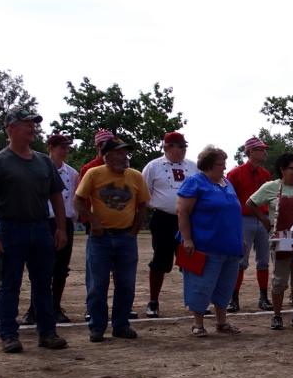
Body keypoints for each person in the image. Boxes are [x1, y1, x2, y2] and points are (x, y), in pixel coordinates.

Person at [0, 107, 69, 353]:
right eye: (26, 123)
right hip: (11, 228)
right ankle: (8, 334)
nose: (32, 128)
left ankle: (47, 333)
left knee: (43, 282)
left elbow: (56, 197)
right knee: (10, 283)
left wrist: (61, 228)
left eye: (33, 124)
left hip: (41, 227)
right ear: (10, 128)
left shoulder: (43, 162)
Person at [75, 138, 149, 342]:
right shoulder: (94, 174)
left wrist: (134, 230)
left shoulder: (135, 176)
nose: (124, 157)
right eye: (119, 153)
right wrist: (92, 221)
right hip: (100, 238)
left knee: (126, 284)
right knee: (97, 284)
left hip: (126, 237)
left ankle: (121, 325)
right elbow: (78, 200)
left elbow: (143, 204)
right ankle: (97, 327)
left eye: (125, 153)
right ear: (106, 156)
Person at [247, 152, 293, 330]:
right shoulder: (271, 187)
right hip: (281, 240)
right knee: (280, 280)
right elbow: (250, 203)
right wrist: (266, 222)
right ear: (282, 169)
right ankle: (277, 315)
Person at [176, 146, 242, 337]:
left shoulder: (227, 183)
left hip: (230, 245)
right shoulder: (194, 182)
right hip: (204, 245)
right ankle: (198, 323)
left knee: (225, 286)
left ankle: (222, 322)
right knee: (201, 285)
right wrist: (187, 239)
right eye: (220, 164)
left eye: (224, 163)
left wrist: (239, 239)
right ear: (208, 165)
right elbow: (182, 212)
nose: (224, 167)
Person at [23, 134, 79, 325]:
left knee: (61, 268)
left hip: (64, 221)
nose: (65, 151)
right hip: (42, 220)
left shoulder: (71, 173)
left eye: (67, 148)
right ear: (51, 148)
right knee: (40, 267)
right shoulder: (38, 169)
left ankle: (55, 306)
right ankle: (35, 308)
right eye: (61, 147)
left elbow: (72, 199)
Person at [141, 131, 198, 318]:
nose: (183, 150)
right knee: (160, 260)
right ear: (167, 147)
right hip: (164, 218)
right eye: (179, 146)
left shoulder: (192, 167)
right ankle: (153, 301)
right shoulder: (153, 166)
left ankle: (194, 301)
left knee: (190, 260)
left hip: (188, 218)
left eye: (184, 146)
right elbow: (144, 192)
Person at [226, 137, 273, 312]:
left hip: (263, 219)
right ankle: (233, 298)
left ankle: (263, 298)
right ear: (251, 152)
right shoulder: (235, 173)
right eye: (261, 149)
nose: (264, 152)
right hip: (243, 220)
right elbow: (229, 199)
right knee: (240, 261)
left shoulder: (265, 174)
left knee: (264, 261)